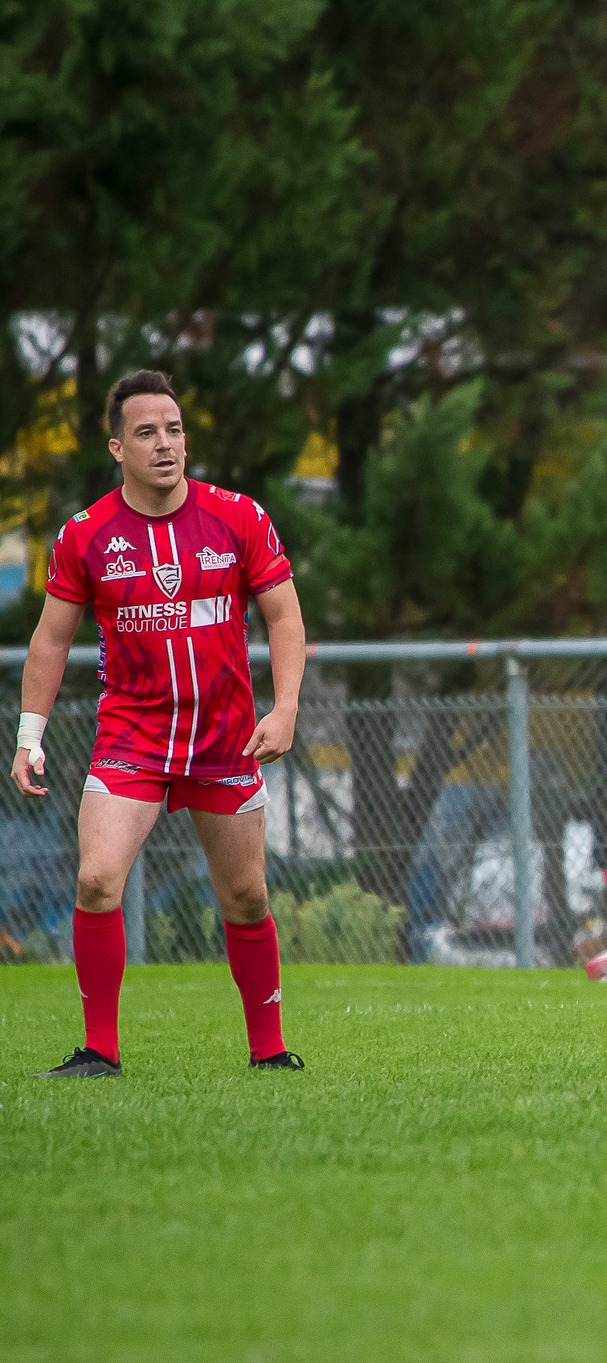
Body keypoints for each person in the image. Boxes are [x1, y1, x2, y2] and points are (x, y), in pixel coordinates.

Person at [12, 370, 307, 1077]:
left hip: (224, 736)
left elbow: (284, 616)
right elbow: (50, 641)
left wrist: (287, 705)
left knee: (246, 895)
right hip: (132, 737)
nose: (165, 444)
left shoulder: (238, 516)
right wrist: (29, 735)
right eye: (147, 432)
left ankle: (269, 1052)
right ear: (118, 447)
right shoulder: (84, 535)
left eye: (174, 429)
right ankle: (99, 1050)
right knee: (96, 878)